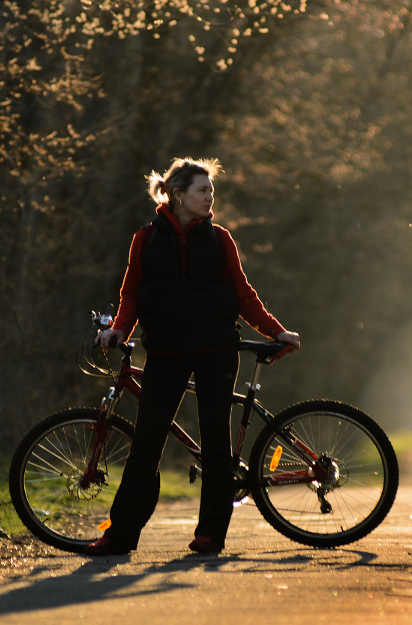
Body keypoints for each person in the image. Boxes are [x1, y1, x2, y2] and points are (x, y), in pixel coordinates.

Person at [85, 157, 300, 556]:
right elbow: (130, 293)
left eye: (211, 191)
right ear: (178, 195)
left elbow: (242, 294)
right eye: (202, 190)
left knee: (216, 443)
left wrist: (275, 330)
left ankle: (210, 535)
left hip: (217, 350)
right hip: (165, 352)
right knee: (146, 444)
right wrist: (120, 330)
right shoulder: (145, 239)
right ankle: (119, 536)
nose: (210, 198)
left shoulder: (220, 239)